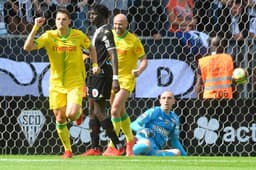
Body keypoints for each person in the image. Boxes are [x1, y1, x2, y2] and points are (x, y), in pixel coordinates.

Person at [23, 8, 100, 158]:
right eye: (58, 19)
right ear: (55, 21)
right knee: (59, 117)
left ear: (70, 22)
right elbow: (27, 47)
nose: (61, 22)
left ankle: (78, 113)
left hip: (75, 81)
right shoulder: (49, 36)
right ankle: (68, 150)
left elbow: (91, 47)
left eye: (64, 19)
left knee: (71, 114)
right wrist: (35, 27)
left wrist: (95, 64)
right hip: (56, 83)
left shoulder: (78, 35)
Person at [81, 4, 125, 156]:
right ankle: (95, 147)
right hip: (94, 75)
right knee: (91, 110)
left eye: (93, 14)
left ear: (102, 15)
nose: (91, 16)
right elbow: (97, 53)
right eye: (90, 14)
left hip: (102, 75)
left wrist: (115, 78)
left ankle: (118, 145)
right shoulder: (97, 32)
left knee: (99, 111)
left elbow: (113, 54)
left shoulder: (106, 31)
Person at [104, 13, 148, 156]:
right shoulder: (108, 36)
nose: (117, 26)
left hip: (126, 79)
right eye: (115, 23)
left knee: (115, 110)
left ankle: (113, 146)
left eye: (120, 24)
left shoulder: (133, 40)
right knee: (120, 112)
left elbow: (144, 60)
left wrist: (139, 70)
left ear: (126, 24)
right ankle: (130, 141)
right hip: (111, 78)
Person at [130, 90, 187, 156]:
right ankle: (130, 151)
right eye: (163, 98)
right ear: (160, 101)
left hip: (155, 149)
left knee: (177, 152)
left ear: (174, 101)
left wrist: (185, 155)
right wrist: (141, 129)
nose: (166, 100)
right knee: (146, 145)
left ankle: (146, 156)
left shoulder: (175, 118)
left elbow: (174, 140)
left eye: (169, 98)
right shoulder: (154, 111)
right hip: (144, 140)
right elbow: (133, 124)